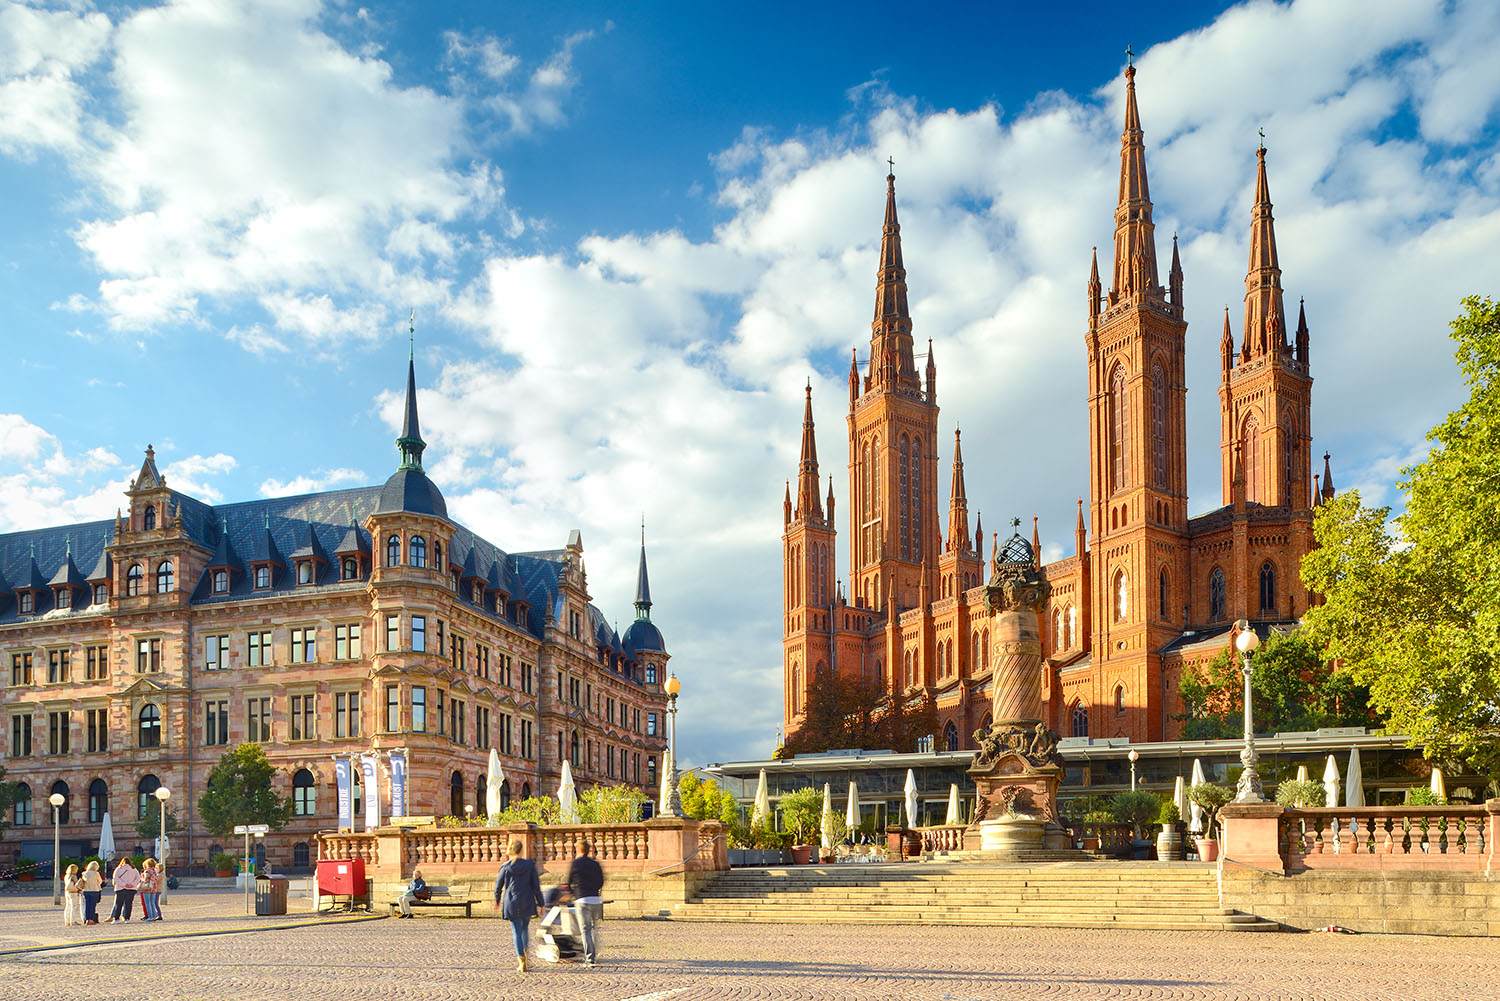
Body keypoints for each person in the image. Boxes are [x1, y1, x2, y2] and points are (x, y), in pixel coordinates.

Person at [493, 839, 544, 973]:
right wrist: (541, 903)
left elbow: (498, 886)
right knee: (525, 929)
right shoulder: (529, 865)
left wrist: (497, 900)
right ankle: (525, 956)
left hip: (511, 902)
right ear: (521, 850)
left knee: (516, 932)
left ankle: (521, 961)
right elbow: (536, 886)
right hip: (527, 900)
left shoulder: (505, 867)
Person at [566, 841, 605, 967]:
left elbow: (569, 882)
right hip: (595, 898)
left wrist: (574, 893)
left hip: (582, 899)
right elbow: (601, 881)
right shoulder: (595, 864)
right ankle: (593, 954)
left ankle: (589, 959)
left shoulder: (576, 863)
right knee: (593, 928)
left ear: (578, 850)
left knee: (585, 930)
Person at [108, 858, 140, 923]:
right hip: (131, 889)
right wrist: (132, 884)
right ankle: (127, 918)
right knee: (128, 904)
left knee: (119, 904)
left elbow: (116, 878)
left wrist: (124, 884)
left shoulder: (118, 869)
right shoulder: (134, 869)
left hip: (120, 888)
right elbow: (138, 878)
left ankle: (116, 919)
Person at [81, 861, 104, 925]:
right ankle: (91, 919)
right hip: (94, 890)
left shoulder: (84, 873)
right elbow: (100, 881)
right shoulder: (96, 873)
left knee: (86, 906)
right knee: (92, 906)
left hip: (86, 891)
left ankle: (86, 919)